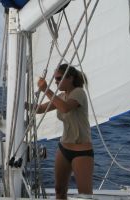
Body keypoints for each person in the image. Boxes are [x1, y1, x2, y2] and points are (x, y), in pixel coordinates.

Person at [35, 64, 93, 199]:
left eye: (59, 78)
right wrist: (22, 105)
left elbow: (65, 108)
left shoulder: (79, 93)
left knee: (85, 196)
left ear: (70, 78)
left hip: (81, 151)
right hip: (64, 148)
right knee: (59, 190)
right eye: (55, 79)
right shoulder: (61, 96)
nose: (56, 82)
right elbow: (40, 109)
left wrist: (46, 90)